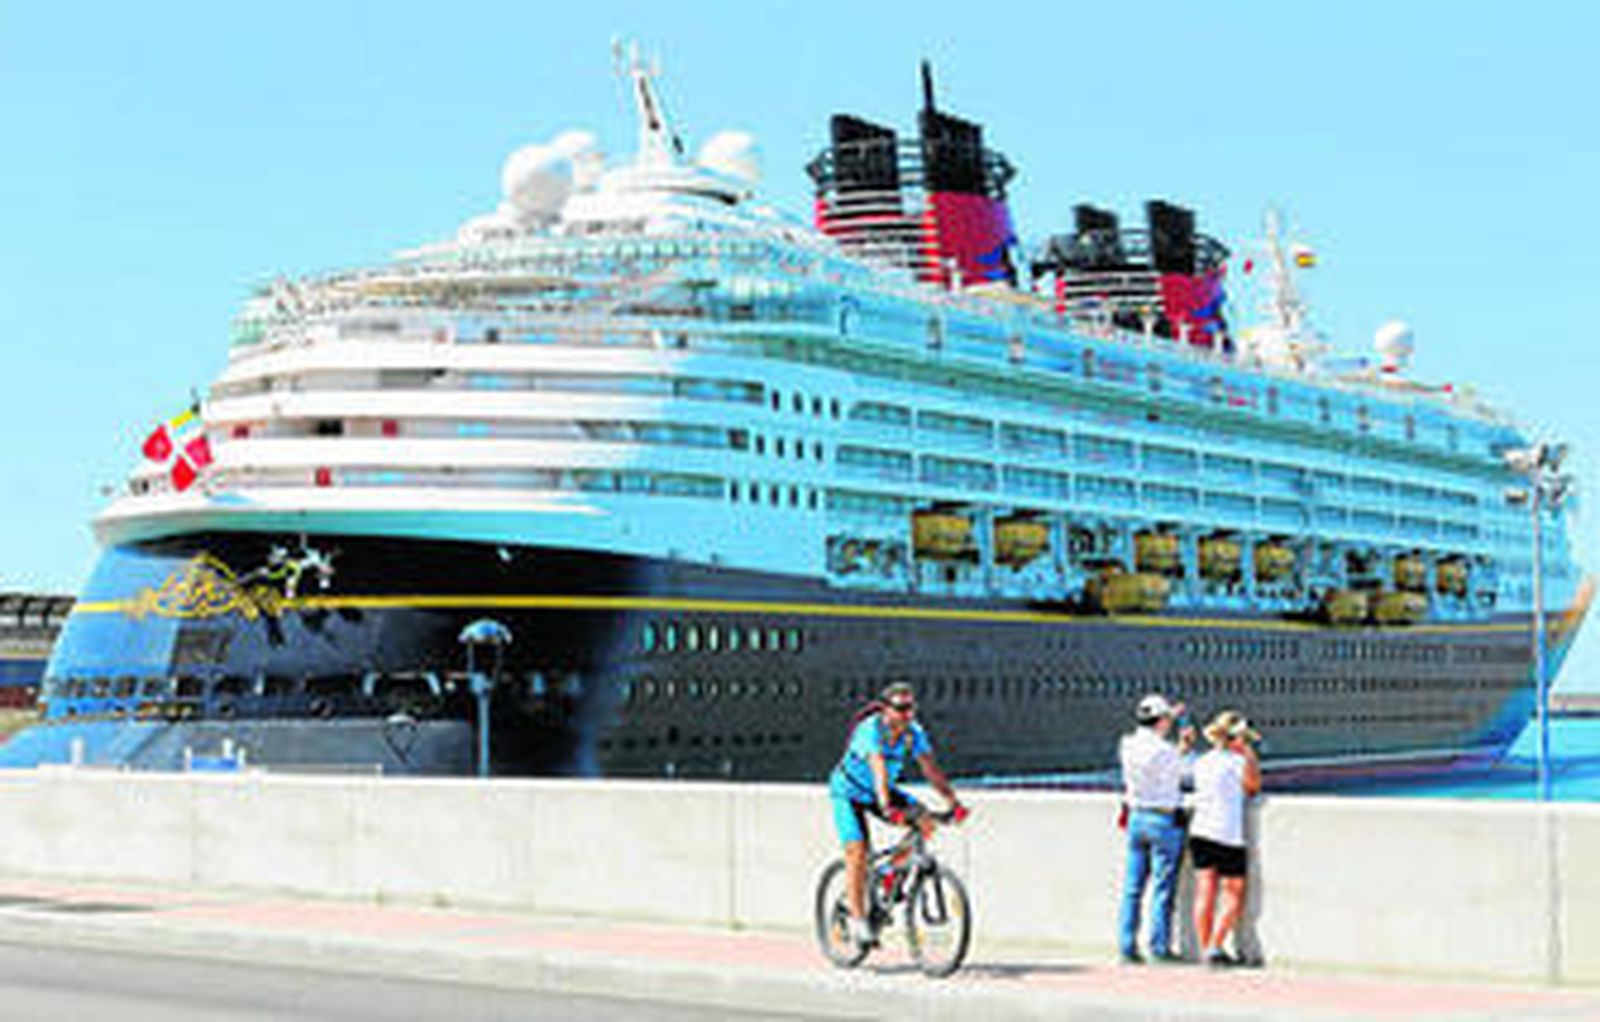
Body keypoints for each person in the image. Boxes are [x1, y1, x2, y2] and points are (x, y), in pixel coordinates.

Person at [828, 681, 966, 948]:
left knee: (926, 823)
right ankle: (857, 920)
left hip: (883, 791)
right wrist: (887, 807)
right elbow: (878, 767)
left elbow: (930, 770)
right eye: (901, 708)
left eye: (911, 708)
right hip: (849, 793)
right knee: (857, 850)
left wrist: (953, 803)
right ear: (885, 709)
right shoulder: (869, 731)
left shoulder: (914, 733)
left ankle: (891, 872)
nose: (907, 714)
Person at [1117, 692, 1196, 964]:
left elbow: (1158, 743)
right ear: (1161, 722)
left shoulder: (1126, 745)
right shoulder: (1165, 751)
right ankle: (1159, 948)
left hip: (1136, 818)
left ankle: (1127, 946)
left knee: (1133, 888)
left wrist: (1170, 716)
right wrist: (1185, 743)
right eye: (1166, 720)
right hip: (1163, 821)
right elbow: (1185, 773)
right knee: (1162, 888)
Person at [1189, 710, 1262, 967]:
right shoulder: (1238, 762)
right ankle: (1215, 946)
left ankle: (1205, 949)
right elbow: (1253, 787)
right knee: (1233, 893)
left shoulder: (1201, 761)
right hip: (1228, 834)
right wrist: (1250, 755)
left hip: (1200, 831)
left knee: (1204, 893)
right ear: (1238, 739)